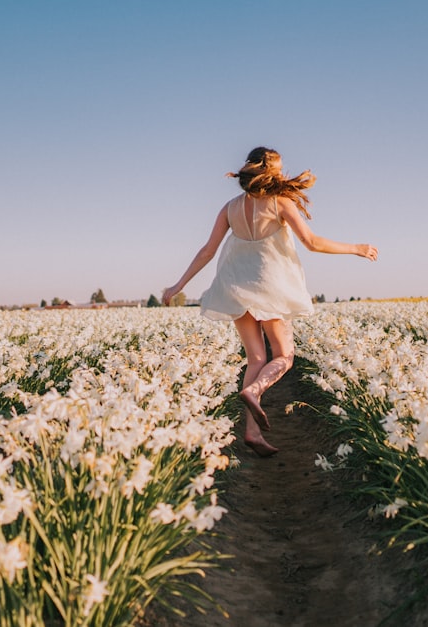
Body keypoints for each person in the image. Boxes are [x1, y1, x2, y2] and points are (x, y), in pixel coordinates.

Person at [162, 147, 378, 457]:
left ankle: (252, 433)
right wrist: (356, 248)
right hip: (270, 287)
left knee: (256, 359)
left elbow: (207, 251)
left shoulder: (230, 208)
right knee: (285, 356)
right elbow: (312, 243)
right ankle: (255, 390)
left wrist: (178, 284)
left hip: (234, 286)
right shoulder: (281, 203)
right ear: (272, 171)